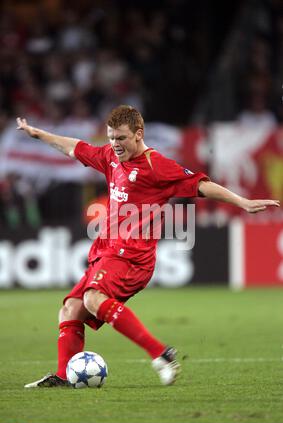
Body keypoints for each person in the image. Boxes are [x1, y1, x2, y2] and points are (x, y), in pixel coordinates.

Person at [16, 105, 280, 388]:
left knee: (93, 299)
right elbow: (75, 148)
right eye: (111, 138)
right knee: (70, 309)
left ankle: (160, 354)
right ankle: (64, 376)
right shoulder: (109, 157)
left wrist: (243, 202)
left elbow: (201, 185)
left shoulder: (157, 166)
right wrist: (38, 134)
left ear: (138, 134)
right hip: (106, 252)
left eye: (121, 138)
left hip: (132, 256)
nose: (115, 145)